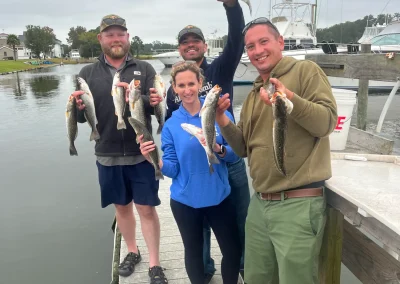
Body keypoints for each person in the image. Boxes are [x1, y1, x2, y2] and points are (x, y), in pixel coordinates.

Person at [215, 17, 338, 284]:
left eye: (263, 42)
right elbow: (243, 148)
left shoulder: (306, 71)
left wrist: (289, 98)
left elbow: (326, 123)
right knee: (256, 278)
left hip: (298, 203)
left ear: (280, 42)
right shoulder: (252, 94)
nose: (257, 51)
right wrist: (222, 119)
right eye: (250, 46)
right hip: (260, 204)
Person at [150, 0, 250, 281]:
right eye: (185, 42)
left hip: (228, 161)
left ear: (205, 46)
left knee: (237, 223)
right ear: (179, 48)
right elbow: (172, 127)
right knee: (198, 231)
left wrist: (232, 7)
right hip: (193, 169)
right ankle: (204, 271)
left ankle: (241, 267)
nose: (190, 45)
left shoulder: (220, 68)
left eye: (196, 41)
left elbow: (235, 40)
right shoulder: (172, 93)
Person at [71, 14, 168, 284]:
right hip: (107, 153)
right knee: (122, 208)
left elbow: (155, 104)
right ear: (101, 39)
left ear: (128, 37)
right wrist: (78, 110)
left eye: (120, 34)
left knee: (147, 209)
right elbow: (82, 118)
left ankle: (155, 263)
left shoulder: (145, 69)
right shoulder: (87, 73)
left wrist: (146, 97)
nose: (116, 39)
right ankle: (132, 251)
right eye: (110, 34)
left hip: (142, 151)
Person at [140, 61, 241, 284]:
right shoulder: (171, 125)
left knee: (232, 252)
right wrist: (153, 159)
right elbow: (173, 169)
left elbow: (236, 154)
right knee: (194, 254)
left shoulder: (218, 113)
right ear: (174, 88)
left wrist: (217, 148)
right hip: (186, 202)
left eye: (191, 84)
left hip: (219, 197)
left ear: (200, 84)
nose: (187, 90)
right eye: (181, 85)